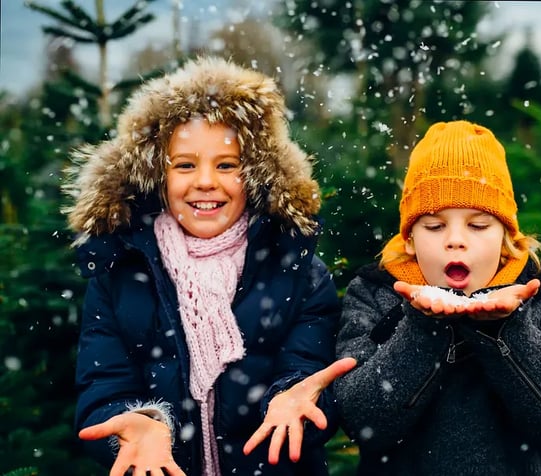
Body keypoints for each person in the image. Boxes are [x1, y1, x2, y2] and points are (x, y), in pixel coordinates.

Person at [63, 56, 356, 476]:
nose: (205, 181)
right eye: (185, 164)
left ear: (255, 173)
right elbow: (103, 386)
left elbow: (308, 373)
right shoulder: (120, 273)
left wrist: (294, 400)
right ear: (156, 175)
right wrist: (138, 426)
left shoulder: (298, 270)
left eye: (226, 165)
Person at [334, 120, 541, 475]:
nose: (456, 240)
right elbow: (360, 421)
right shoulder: (374, 295)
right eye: (434, 226)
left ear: (506, 235)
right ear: (411, 238)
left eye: (478, 225)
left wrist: (507, 331)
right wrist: (422, 327)